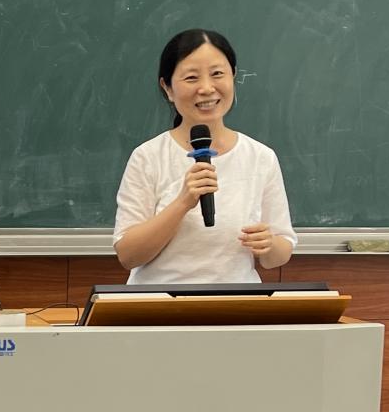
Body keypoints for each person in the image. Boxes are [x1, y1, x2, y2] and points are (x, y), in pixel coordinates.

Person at [113, 29, 296, 283]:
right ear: (167, 88)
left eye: (217, 74)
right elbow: (128, 256)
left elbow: (279, 252)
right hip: (159, 301)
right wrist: (182, 203)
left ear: (233, 76)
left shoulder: (260, 157)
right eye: (191, 78)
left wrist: (269, 244)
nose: (207, 88)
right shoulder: (148, 157)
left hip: (238, 302)